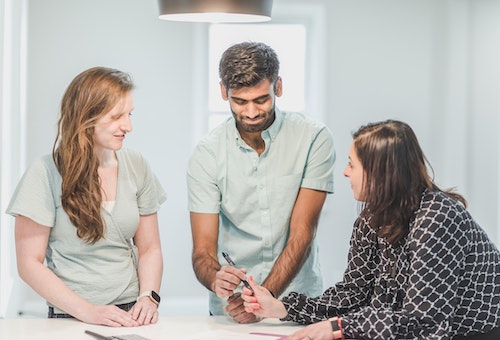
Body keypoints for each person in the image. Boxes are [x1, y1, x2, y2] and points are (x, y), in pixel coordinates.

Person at [242, 119, 500, 339]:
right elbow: (354, 293)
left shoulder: (436, 219)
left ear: (380, 173)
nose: (345, 172)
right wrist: (282, 308)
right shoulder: (370, 218)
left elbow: (423, 322)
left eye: (352, 164)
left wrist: (338, 327)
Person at [187, 41, 335, 323]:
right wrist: (214, 277)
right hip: (232, 311)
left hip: (297, 304)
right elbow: (203, 251)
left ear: (278, 87)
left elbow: (303, 233)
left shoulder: (314, 138)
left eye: (261, 99)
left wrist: (261, 299)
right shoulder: (206, 154)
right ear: (223, 92)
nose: (251, 112)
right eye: (240, 101)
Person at [6, 67, 166, 327]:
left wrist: (149, 297)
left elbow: (150, 248)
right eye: (116, 116)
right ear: (86, 118)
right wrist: (89, 312)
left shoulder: (138, 165)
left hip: (130, 312)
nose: (128, 126)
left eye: (129, 114)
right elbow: (28, 264)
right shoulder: (44, 173)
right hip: (69, 317)